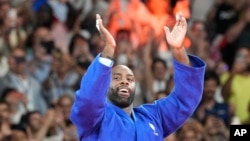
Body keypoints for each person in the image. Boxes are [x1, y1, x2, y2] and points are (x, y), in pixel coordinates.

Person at [70, 13, 206, 140]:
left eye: (130, 79)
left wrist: (178, 50)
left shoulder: (153, 117)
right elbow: (88, 99)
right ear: (104, 85)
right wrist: (109, 50)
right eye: (117, 78)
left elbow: (185, 99)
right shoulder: (95, 119)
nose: (124, 81)